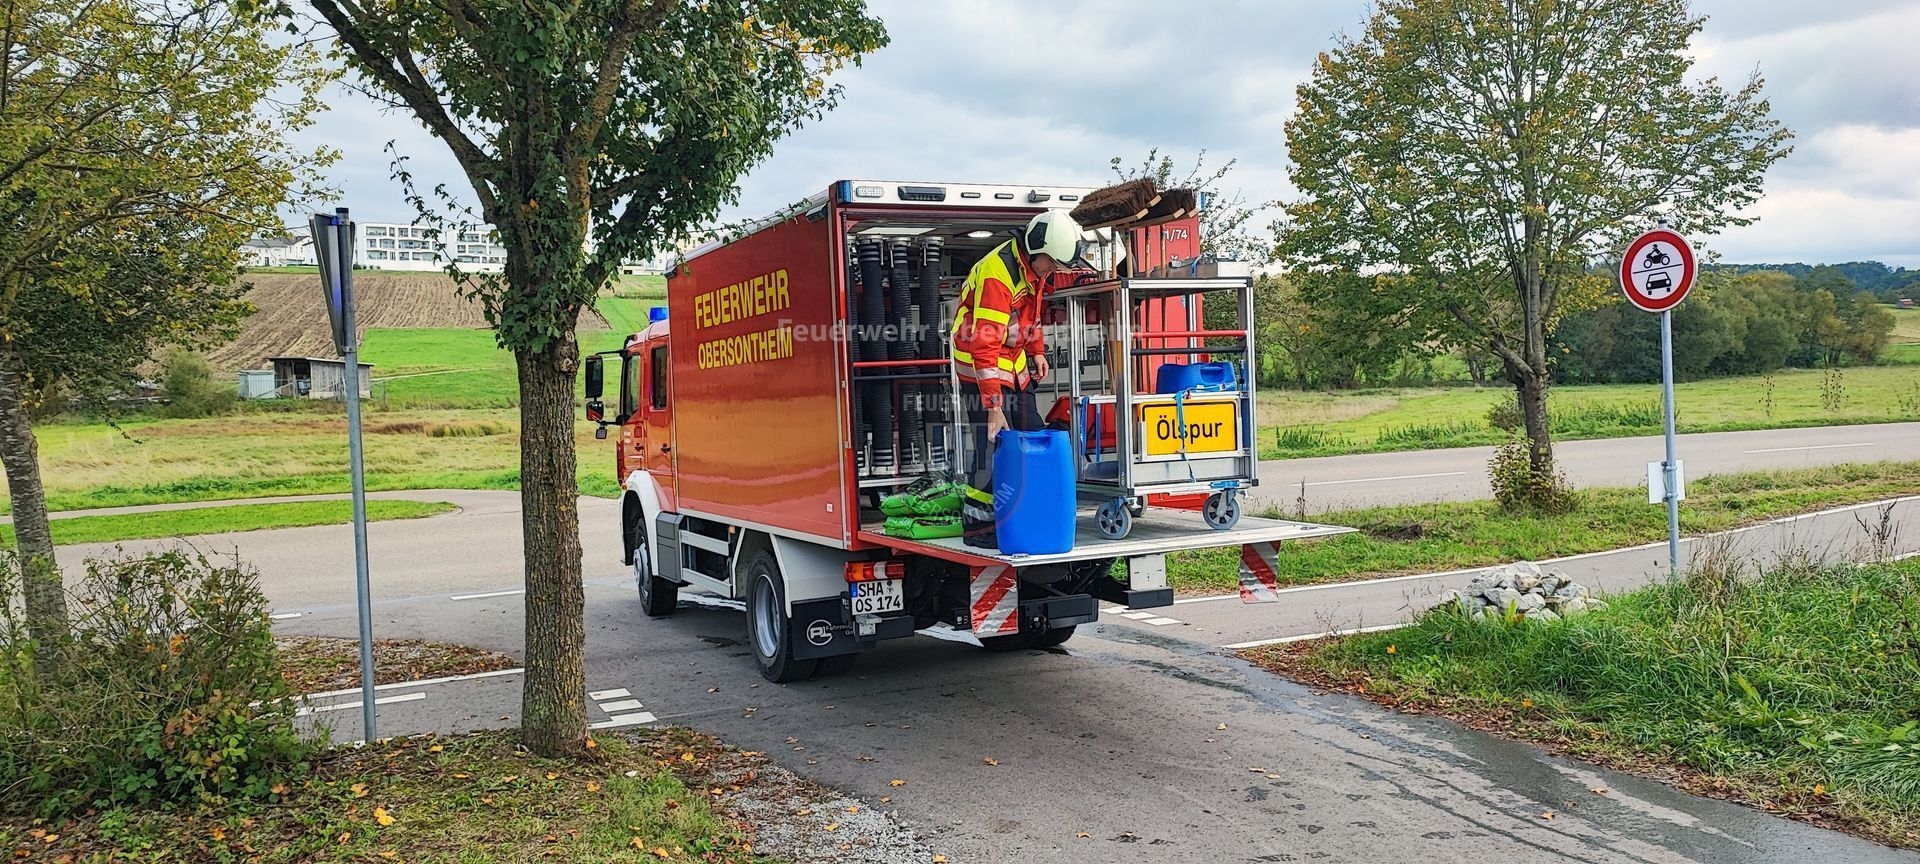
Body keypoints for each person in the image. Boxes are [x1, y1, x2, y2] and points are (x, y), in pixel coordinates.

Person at [951, 210, 1083, 548]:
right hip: (981, 368)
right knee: (991, 444)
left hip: (1012, 363)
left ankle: (1025, 512)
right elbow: (983, 344)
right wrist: (994, 406)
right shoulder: (998, 273)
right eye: (1051, 263)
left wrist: (1037, 351)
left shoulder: (1032, 267)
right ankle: (978, 528)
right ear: (1036, 247)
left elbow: (1031, 315)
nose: (1051, 271)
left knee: (1032, 433)